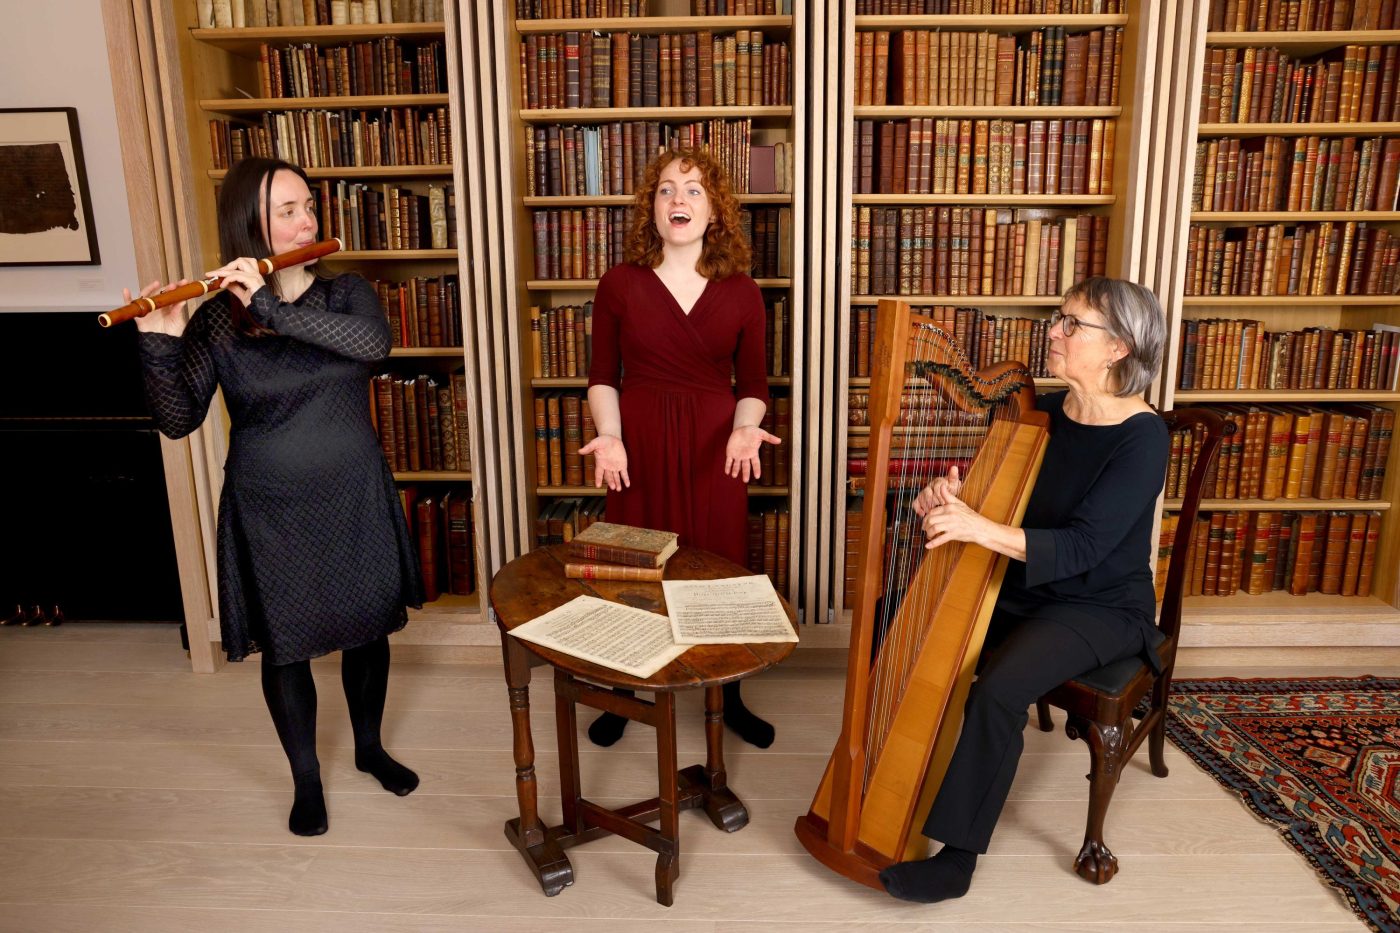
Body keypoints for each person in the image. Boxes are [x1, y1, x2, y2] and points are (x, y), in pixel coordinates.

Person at [129, 157, 423, 837]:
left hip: (351, 492)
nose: (307, 220)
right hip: (270, 508)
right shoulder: (215, 322)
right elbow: (178, 419)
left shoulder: (346, 294)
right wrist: (160, 346)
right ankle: (306, 781)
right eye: (288, 209)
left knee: (367, 630)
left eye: (309, 205)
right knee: (286, 649)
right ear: (249, 222)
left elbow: (372, 345)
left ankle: (371, 747)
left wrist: (267, 302)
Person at [878, 276, 1169, 903]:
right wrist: (948, 500)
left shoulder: (1142, 438)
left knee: (1001, 686)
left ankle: (956, 860)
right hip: (1033, 585)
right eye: (1057, 318)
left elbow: (1088, 547)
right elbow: (1008, 506)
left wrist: (981, 529)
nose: (1054, 332)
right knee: (897, 612)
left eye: (1072, 324)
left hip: (1099, 604)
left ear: (1119, 347)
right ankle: (887, 784)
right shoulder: (1044, 414)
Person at [578, 147, 782, 749]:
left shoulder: (742, 291)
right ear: (653, 208)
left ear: (714, 210)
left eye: (693, 191)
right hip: (635, 443)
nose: (678, 201)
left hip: (717, 447)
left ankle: (729, 694)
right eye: (666, 189)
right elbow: (601, 375)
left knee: (720, 568)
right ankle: (622, 692)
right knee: (632, 568)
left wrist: (747, 428)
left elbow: (755, 385)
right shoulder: (619, 283)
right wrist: (609, 438)